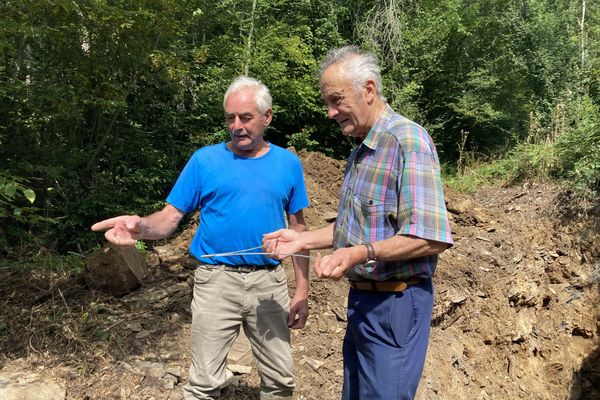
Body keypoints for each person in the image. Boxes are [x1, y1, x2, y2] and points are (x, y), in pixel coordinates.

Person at [92, 76, 310, 400]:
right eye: (230, 118)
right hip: (216, 282)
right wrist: (140, 226)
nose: (236, 126)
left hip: (269, 285)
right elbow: (168, 220)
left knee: (279, 383)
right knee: (203, 385)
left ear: (267, 117)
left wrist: (302, 291)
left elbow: (300, 231)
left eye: (245, 117)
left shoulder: (288, 164)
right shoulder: (204, 161)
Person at [263, 46, 453, 400]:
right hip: (363, 304)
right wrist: (300, 241)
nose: (330, 112)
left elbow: (431, 237)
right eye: (327, 103)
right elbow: (356, 229)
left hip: (396, 304)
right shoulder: (361, 150)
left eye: (336, 100)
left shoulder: (406, 141)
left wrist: (359, 254)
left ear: (368, 90)